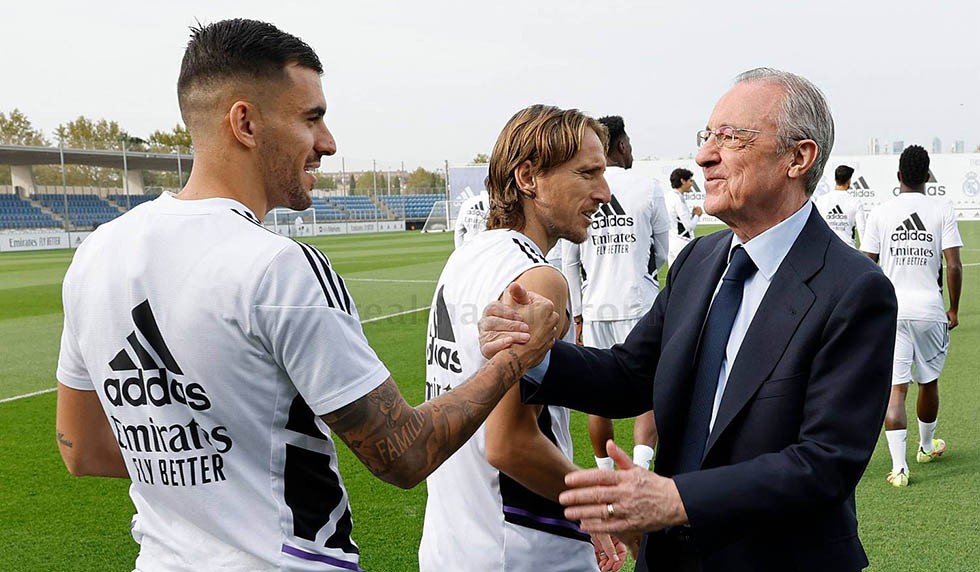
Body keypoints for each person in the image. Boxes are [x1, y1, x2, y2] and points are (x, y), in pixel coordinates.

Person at [55, 19, 557, 572]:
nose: (328, 143)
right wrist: (513, 360)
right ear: (244, 122)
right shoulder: (278, 268)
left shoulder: (94, 256)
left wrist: (202, 463)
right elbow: (405, 454)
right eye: (311, 117)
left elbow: (83, 448)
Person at [480, 68, 898, 572]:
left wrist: (677, 499)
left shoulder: (854, 289)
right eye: (707, 136)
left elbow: (826, 462)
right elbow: (630, 375)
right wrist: (535, 353)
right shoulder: (700, 261)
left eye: (731, 137)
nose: (704, 155)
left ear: (798, 157)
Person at [419, 104, 625, 572]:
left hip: (454, 539)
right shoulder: (539, 278)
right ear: (529, 177)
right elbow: (509, 443)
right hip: (523, 544)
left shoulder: (469, 256)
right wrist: (598, 508)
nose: (604, 192)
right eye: (587, 173)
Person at [562, 115, 669, 471]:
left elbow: (569, 260)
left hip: (595, 306)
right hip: (640, 302)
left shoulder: (581, 190)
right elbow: (663, 252)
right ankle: (639, 472)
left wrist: (577, 313)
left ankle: (605, 477)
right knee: (649, 389)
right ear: (622, 146)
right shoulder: (648, 186)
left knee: (598, 397)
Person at [861, 145, 963, 488]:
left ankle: (900, 468)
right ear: (928, 175)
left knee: (896, 390)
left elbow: (865, 267)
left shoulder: (880, 212)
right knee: (928, 381)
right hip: (929, 309)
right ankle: (926, 446)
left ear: (899, 176)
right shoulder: (942, 209)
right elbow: (953, 264)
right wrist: (954, 308)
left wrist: (867, 310)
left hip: (892, 312)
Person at [814, 164, 866, 248]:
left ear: (835, 179)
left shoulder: (821, 200)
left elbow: (815, 226)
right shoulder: (855, 201)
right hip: (848, 249)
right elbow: (862, 229)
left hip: (827, 249)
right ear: (849, 181)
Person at [664, 167, 703, 266]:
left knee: (673, 277)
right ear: (682, 180)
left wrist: (692, 215)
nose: (691, 184)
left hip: (671, 242)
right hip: (682, 243)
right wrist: (697, 215)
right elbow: (689, 227)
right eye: (690, 181)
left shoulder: (668, 196)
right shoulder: (678, 199)